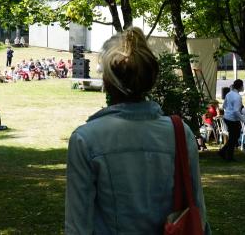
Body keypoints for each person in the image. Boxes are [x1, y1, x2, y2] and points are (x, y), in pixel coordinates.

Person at [65, 27, 209, 234]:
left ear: (107, 81)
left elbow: (78, 225)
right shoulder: (179, 132)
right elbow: (197, 209)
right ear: (150, 79)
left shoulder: (85, 139)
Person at [219, 79, 244, 161]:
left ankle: (224, 152)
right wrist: (244, 120)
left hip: (227, 117)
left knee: (233, 137)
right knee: (234, 138)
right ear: (240, 87)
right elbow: (236, 111)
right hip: (233, 119)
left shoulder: (229, 94)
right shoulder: (238, 97)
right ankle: (228, 156)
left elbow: (224, 106)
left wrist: (229, 112)